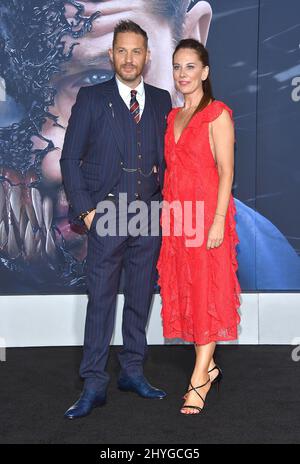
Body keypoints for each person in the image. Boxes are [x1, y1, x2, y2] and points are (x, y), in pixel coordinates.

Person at [60, 20, 172, 419]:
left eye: (136, 51)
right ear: (112, 55)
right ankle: (93, 382)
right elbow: (70, 159)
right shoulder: (91, 98)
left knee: (140, 296)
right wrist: (87, 213)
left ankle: (133, 371)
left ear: (146, 56)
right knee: (101, 301)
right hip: (104, 215)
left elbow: (170, 161)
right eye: (121, 51)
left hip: (147, 215)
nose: (129, 58)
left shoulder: (161, 101)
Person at [157, 38, 241, 415]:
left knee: (207, 292)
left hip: (208, 217)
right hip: (177, 220)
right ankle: (209, 365)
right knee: (189, 292)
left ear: (205, 72)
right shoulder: (171, 117)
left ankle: (199, 380)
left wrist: (219, 221)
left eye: (190, 66)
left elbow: (226, 172)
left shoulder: (218, 114)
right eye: (177, 66)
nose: (183, 74)